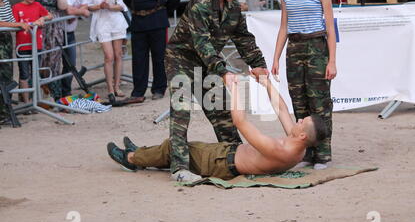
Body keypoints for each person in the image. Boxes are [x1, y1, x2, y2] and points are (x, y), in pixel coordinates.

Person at [106, 74, 328, 180]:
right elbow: (281, 108)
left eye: (302, 122)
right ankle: (142, 152)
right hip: (225, 156)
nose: (298, 120)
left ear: (301, 136)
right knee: (178, 148)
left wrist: (235, 88)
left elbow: (240, 122)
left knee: (173, 148)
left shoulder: (282, 150)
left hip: (221, 163)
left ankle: (132, 159)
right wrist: (266, 82)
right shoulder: (297, 146)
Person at [165, 0, 269, 182]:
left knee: (221, 110)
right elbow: (202, 43)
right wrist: (222, 71)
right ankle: (179, 168)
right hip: (181, 59)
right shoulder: (200, 4)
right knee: (181, 109)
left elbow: (243, 38)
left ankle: (238, 159)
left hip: (207, 64)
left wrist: (257, 64)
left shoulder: (233, 8)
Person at [271, 0, 337, 170]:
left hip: (317, 46)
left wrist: (332, 61)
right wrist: (276, 58)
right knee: (298, 100)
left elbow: (330, 28)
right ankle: (307, 151)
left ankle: (323, 153)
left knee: (319, 102)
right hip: (294, 48)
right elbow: (283, 27)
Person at [121, 0, 180, 103]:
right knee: (138, 58)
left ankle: (159, 88)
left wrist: (162, 13)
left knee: (159, 57)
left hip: (157, 21)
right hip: (138, 22)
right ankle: (138, 91)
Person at [85, 0, 129, 103]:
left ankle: (117, 86)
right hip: (101, 23)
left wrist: (110, 6)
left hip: (116, 22)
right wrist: (99, 6)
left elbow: (122, 6)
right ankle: (109, 88)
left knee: (118, 55)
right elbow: (88, 6)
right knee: (108, 56)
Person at [28, 0, 68, 102]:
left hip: (54, 26)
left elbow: (63, 6)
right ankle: (37, 93)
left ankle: (54, 93)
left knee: (54, 59)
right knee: (38, 58)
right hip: (38, 25)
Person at [12, 0, 53, 104]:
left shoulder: (38, 5)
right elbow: (13, 23)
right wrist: (28, 24)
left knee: (35, 71)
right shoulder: (16, 7)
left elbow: (50, 15)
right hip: (22, 46)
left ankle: (35, 99)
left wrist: (42, 18)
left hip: (36, 45)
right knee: (24, 73)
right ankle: (26, 100)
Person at [0, 0, 31, 123]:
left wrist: (23, 24)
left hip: (6, 41)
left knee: (7, 76)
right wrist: (18, 25)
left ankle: (5, 110)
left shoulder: (6, 2)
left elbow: (11, 21)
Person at [61, 0, 90, 97]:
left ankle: (66, 91)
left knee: (71, 63)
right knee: (55, 65)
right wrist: (79, 12)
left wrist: (75, 12)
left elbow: (86, 7)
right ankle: (55, 92)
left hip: (70, 32)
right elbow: (68, 10)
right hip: (59, 32)